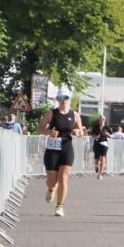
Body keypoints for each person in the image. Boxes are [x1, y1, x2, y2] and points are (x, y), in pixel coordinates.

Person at [38, 88, 83, 217]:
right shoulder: (50, 114)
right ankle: (51, 189)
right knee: (52, 181)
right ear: (57, 99)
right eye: (61, 98)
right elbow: (40, 128)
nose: (64, 101)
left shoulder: (74, 115)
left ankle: (59, 207)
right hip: (52, 150)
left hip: (66, 148)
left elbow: (81, 131)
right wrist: (49, 132)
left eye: (66, 98)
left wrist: (77, 132)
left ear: (70, 99)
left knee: (63, 178)